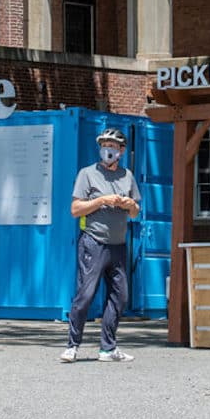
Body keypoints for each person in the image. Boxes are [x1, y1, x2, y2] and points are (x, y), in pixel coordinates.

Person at [60, 127, 141, 364]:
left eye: (113, 146)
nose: (108, 149)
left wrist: (129, 205)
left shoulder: (128, 176)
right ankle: (72, 346)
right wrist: (101, 200)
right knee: (85, 295)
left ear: (121, 151)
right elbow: (75, 210)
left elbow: (136, 212)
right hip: (93, 242)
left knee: (120, 296)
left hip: (118, 245)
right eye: (105, 145)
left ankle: (108, 349)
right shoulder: (87, 174)